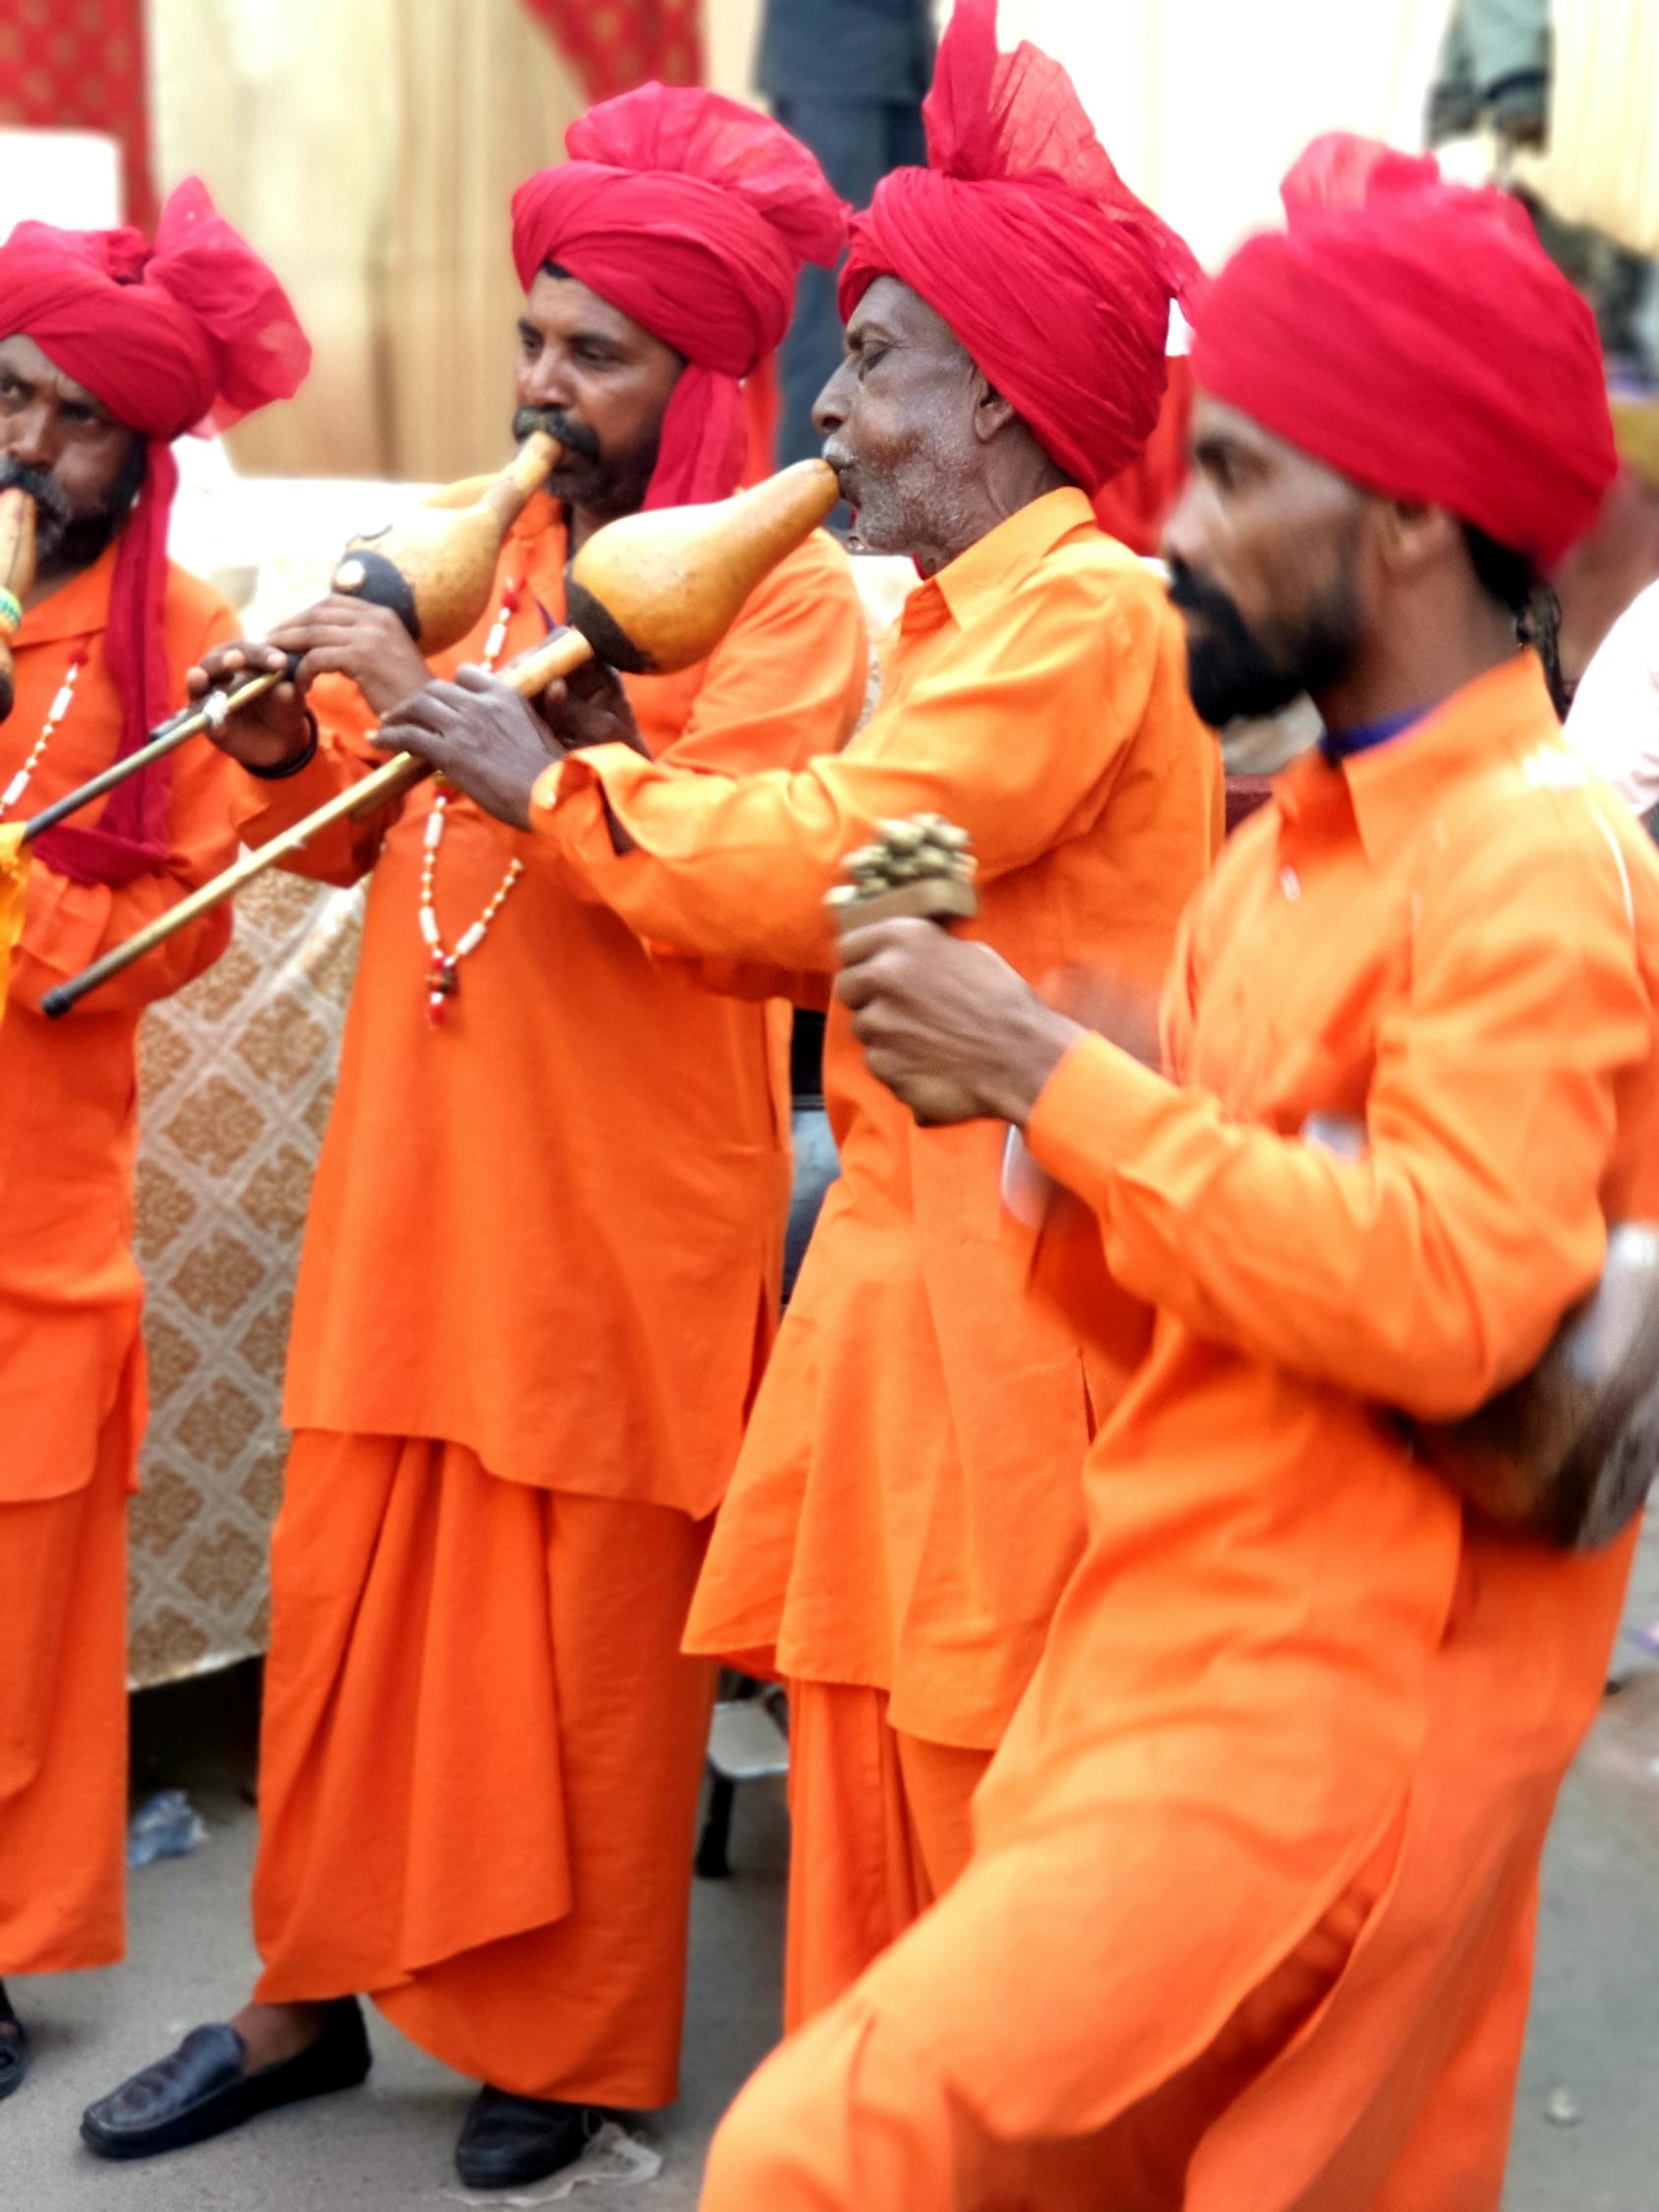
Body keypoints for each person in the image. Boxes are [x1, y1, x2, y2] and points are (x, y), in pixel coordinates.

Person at [694, 138, 1655, 2212]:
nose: (1176, 530)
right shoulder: (1293, 837)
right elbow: (1202, 1282)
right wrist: (1072, 1111)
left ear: (1402, 512)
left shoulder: (1529, 866)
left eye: (1232, 476)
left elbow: (1452, 1306)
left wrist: (1058, 1083)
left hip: (1329, 1713)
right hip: (1167, 1641)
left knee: (814, 2155)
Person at [376, 0, 1218, 2037]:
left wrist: (564, 791)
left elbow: (844, 862)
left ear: (1005, 404)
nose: (829, 419)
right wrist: (617, 771)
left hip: (1011, 1325)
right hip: (899, 1309)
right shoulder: (951, 623)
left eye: (877, 361)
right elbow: (884, 902)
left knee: (975, 1845)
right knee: (866, 1816)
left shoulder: (1081, 614)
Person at [83, 90, 865, 2190]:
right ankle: (290, 2005)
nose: (541, 384)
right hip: (420, 1182)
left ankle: (572, 2041)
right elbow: (348, 825)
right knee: (352, 1596)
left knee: (584, 1633)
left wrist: (539, 753)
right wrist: (278, 727)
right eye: (534, 338)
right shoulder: (473, 539)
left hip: (624, 1202)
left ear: (702, 377)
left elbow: (763, 895)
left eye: (589, 352)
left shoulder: (778, 610)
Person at [0, 184, 308, 2104]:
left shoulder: (186, 638)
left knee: (17, 1625)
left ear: (147, 442)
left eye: (71, 418)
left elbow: (190, 927)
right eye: (10, 401)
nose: (30, 449)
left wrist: (22, 913)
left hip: (33, 1224)